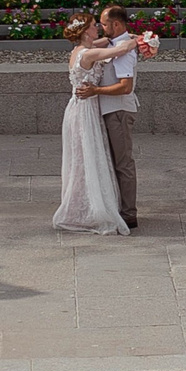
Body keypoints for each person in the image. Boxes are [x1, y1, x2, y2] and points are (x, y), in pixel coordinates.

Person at [53, 13, 133, 236]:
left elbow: (107, 42)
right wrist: (142, 41)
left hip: (80, 107)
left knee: (85, 157)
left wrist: (126, 35)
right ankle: (89, 209)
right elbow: (118, 50)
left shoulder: (81, 50)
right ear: (85, 31)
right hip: (85, 110)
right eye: (93, 26)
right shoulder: (88, 53)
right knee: (87, 156)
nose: (97, 28)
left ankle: (84, 204)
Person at [90, 4, 157, 230]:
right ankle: (118, 206)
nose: (101, 27)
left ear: (116, 24)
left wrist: (95, 91)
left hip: (118, 110)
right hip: (110, 109)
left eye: (104, 24)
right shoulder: (116, 43)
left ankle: (129, 213)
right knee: (114, 161)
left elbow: (125, 87)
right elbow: (87, 45)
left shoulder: (124, 51)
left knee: (123, 162)